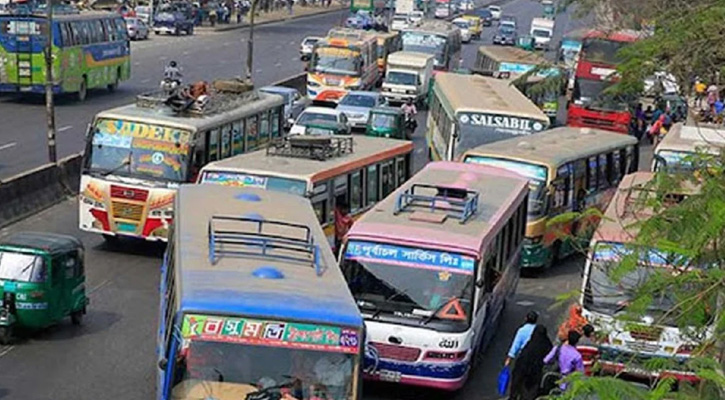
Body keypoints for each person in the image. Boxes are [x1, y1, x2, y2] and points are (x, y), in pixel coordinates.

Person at [509, 325, 553, 400]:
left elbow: (521, 361)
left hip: (523, 371)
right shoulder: (546, 343)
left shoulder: (529, 345)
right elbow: (550, 355)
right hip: (536, 372)